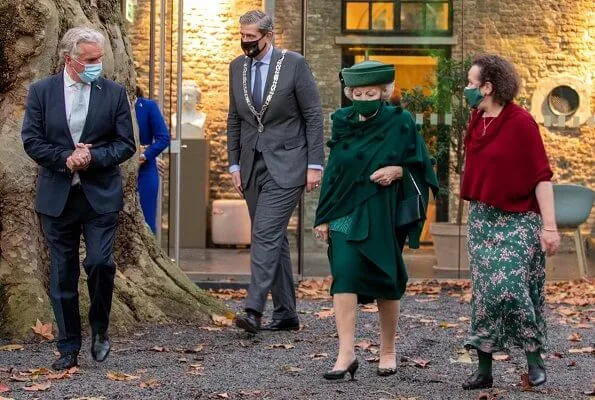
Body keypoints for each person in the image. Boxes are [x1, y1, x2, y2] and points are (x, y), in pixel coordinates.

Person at [313, 60, 438, 380]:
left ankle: (388, 351)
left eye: (371, 92)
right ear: (349, 92)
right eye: (357, 92)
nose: (364, 97)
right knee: (344, 275)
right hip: (343, 210)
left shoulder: (401, 122)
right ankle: (345, 353)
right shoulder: (341, 120)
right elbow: (335, 168)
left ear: (384, 92)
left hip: (382, 210)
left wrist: (400, 170)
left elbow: (423, 164)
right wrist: (322, 216)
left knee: (386, 278)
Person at [21, 26, 136, 370]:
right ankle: (68, 346)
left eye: (99, 58)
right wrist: (65, 158)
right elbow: (31, 139)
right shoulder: (42, 92)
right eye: (89, 59)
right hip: (57, 195)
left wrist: (92, 157)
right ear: (70, 60)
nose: (96, 64)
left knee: (100, 263)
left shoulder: (113, 93)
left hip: (100, 195)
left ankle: (100, 328)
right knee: (63, 273)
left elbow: (126, 144)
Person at [459, 54, 560, 390]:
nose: (467, 88)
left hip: (519, 219)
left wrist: (549, 227)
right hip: (482, 219)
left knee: (513, 288)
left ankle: (534, 360)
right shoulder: (477, 118)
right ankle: (484, 370)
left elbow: (541, 177)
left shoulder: (521, 123)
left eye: (472, 83)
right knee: (485, 294)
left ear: (488, 87)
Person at [227, 10, 324, 333]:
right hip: (252, 166)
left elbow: (313, 115)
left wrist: (314, 164)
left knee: (265, 234)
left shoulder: (294, 64)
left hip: (289, 164)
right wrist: (234, 163)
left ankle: (253, 309)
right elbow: (234, 119)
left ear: (268, 36)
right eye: (242, 37)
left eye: (251, 37)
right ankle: (286, 313)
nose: (245, 43)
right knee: (275, 238)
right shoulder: (237, 67)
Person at [135, 86, 170, 234]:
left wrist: (146, 155)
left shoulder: (147, 106)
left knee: (147, 220)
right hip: (116, 169)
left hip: (145, 169)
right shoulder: (111, 105)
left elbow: (163, 137)